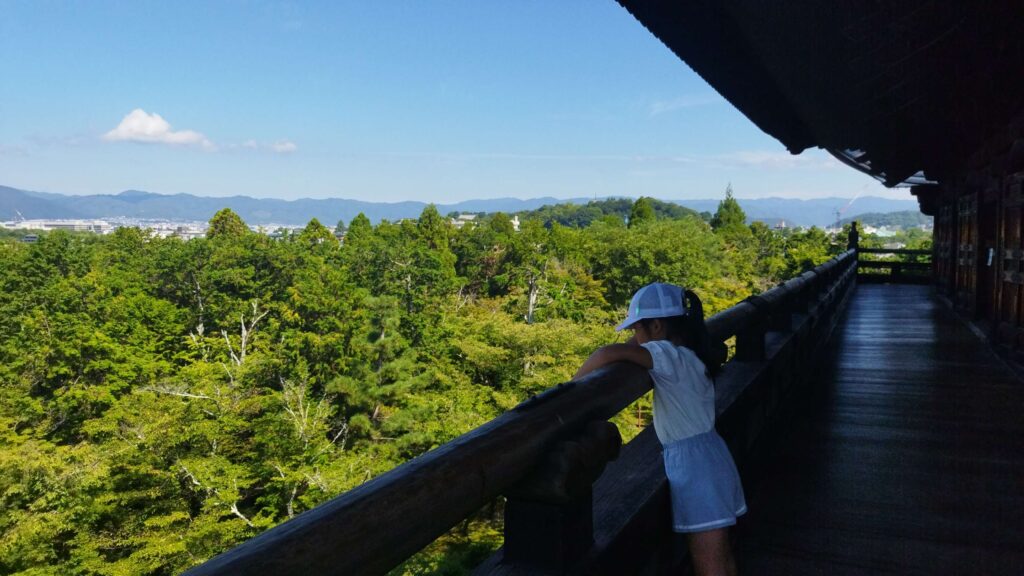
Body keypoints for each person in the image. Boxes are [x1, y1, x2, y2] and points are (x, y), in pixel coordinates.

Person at [574, 282, 745, 576]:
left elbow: (606, 354)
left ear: (656, 326)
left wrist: (568, 390)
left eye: (636, 329)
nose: (634, 338)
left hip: (696, 468)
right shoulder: (686, 353)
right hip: (709, 457)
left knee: (709, 563)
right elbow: (634, 347)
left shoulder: (667, 356)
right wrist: (641, 337)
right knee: (721, 554)